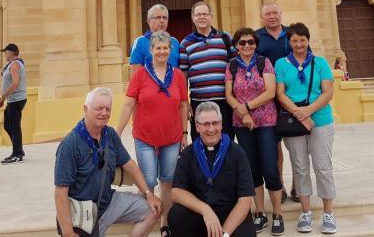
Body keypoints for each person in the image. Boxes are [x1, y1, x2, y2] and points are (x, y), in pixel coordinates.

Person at [55, 87, 162, 237]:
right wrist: (67, 232)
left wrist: (148, 194)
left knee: (153, 209)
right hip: (82, 212)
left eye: (108, 109)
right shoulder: (70, 144)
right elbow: (60, 193)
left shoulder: (109, 134)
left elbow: (129, 165)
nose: (104, 113)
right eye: (99, 108)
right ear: (86, 109)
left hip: (108, 202)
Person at [117, 31, 189, 237]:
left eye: (165, 48)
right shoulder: (140, 74)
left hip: (172, 137)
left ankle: (164, 223)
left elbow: (183, 105)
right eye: (158, 48)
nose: (162, 51)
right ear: (151, 50)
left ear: (170, 50)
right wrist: (117, 131)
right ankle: (147, 220)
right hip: (145, 137)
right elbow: (129, 102)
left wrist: (184, 133)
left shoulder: (176, 75)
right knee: (147, 182)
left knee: (167, 181)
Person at [275, 23, 338, 234]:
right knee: (300, 166)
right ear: (289, 42)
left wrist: (308, 112)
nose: (299, 44)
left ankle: (328, 213)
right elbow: (280, 93)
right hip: (294, 122)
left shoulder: (320, 63)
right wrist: (299, 114)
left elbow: (328, 92)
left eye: (302, 40)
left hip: (320, 120)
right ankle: (306, 211)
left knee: (322, 165)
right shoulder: (281, 64)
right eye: (295, 40)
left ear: (308, 40)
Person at [224, 28, 284, 235]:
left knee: (270, 168)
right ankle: (260, 213)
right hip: (242, 124)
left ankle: (277, 213)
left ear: (256, 44)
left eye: (250, 42)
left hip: (266, 121)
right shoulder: (231, 65)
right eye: (242, 43)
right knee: (252, 169)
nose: (247, 45)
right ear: (236, 46)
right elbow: (229, 94)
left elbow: (270, 92)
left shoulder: (263, 62)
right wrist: (243, 114)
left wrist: (247, 107)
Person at [169, 101, 256, 237]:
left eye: (215, 123)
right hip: (201, 216)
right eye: (205, 124)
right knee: (176, 215)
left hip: (230, 214)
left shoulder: (237, 153)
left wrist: (225, 234)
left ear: (221, 124)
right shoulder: (188, 154)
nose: (211, 129)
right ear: (197, 127)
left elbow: (245, 200)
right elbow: (176, 192)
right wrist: (205, 210)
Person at [254, 2, 295, 204]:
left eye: (275, 13)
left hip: (293, 97)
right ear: (262, 17)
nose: (272, 16)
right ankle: (280, 185)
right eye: (267, 14)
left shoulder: (292, 34)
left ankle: (299, 185)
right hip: (269, 99)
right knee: (275, 146)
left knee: (297, 145)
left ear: (281, 14)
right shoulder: (256, 38)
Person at [179, 1, 236, 139]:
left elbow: (235, 68)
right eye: (198, 14)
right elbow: (183, 75)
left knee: (226, 141)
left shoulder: (226, 38)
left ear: (211, 16)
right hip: (199, 101)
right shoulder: (185, 43)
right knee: (200, 141)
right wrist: (185, 103)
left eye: (205, 14)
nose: (201, 17)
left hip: (225, 101)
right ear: (193, 18)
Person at [0, 43, 27, 164]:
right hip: (13, 100)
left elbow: (15, 83)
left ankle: (17, 154)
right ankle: (19, 149)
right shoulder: (13, 64)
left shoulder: (14, 64)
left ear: (12, 53)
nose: (4, 54)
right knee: (8, 126)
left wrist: (2, 97)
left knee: (14, 127)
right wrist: (3, 99)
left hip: (16, 99)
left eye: (6, 52)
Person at [129, 4, 181, 75]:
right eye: (158, 17)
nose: (162, 21)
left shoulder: (175, 42)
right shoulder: (139, 42)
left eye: (165, 18)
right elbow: (135, 75)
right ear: (149, 21)